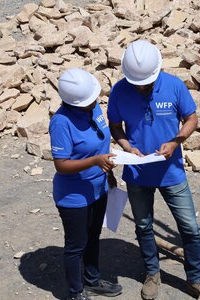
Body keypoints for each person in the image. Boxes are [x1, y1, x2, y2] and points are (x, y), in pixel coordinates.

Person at [108, 40, 200, 300]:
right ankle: (152, 273)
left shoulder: (174, 86)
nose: (141, 87)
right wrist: (126, 146)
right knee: (143, 226)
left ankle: (195, 277)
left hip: (171, 171)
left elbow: (191, 119)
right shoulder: (120, 91)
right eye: (137, 83)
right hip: (137, 173)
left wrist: (176, 141)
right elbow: (115, 125)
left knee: (189, 226)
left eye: (146, 83)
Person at [49, 68, 122, 300]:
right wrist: (94, 161)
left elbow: (100, 141)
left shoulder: (92, 105)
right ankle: (75, 292)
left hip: (98, 188)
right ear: (73, 103)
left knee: (92, 238)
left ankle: (92, 280)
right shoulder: (61, 123)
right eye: (89, 101)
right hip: (74, 196)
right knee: (76, 245)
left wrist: (108, 172)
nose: (94, 103)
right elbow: (61, 164)